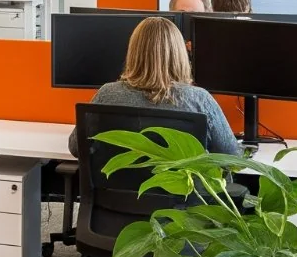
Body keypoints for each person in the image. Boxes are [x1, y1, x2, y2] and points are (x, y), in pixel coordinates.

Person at [70, 16, 242, 159]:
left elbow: (76, 147)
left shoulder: (107, 95)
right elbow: (231, 156)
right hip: (186, 199)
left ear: (133, 53)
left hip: (116, 198)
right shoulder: (198, 99)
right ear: (180, 55)